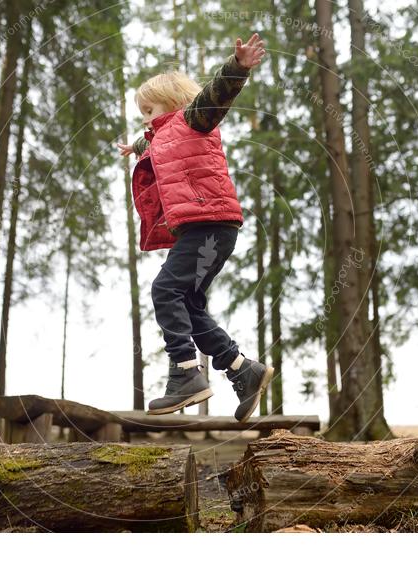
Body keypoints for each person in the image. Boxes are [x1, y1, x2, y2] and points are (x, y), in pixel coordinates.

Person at [115, 33, 273, 422]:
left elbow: (216, 95)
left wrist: (237, 67)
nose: (145, 120)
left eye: (149, 110)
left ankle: (185, 372)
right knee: (188, 303)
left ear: (171, 103)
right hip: (204, 230)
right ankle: (241, 369)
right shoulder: (160, 137)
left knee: (165, 288)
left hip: (211, 225)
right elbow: (151, 141)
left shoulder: (193, 119)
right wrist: (133, 147)